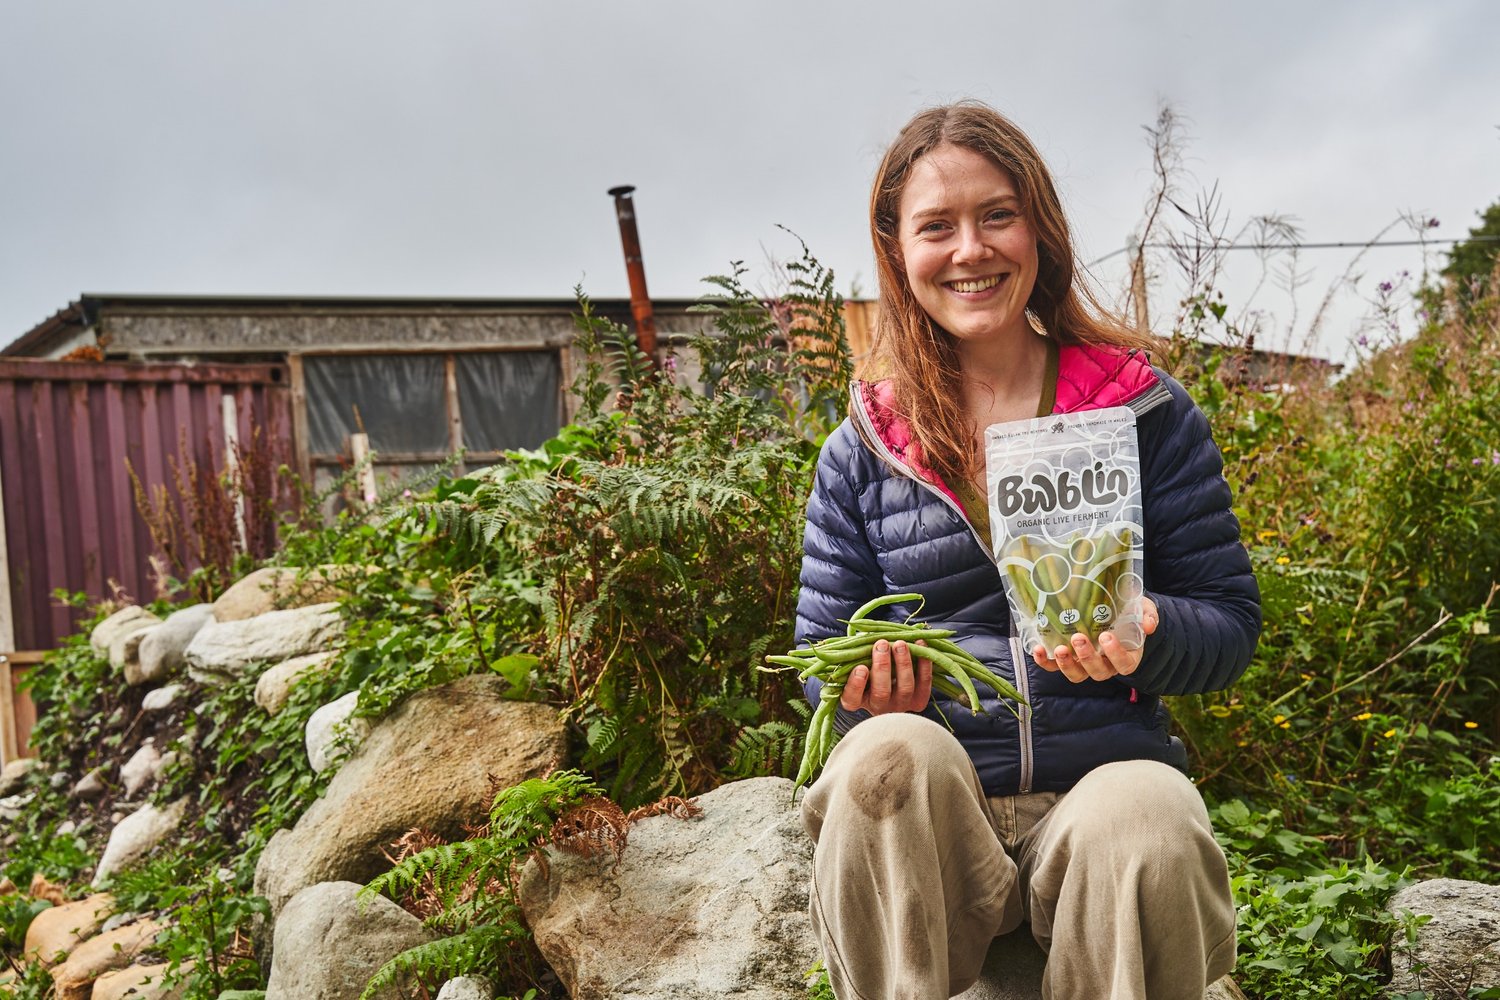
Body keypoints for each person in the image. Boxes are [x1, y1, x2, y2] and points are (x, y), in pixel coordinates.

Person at [796, 101, 1261, 1000]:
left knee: (1151, 813)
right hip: (943, 816)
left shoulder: (1145, 412)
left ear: (1040, 228)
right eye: (937, 226)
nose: (970, 249)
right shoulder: (865, 443)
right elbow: (821, 664)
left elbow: (1231, 626)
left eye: (996, 215)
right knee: (885, 755)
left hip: (1097, 797)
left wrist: (1153, 629)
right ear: (898, 253)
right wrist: (860, 693)